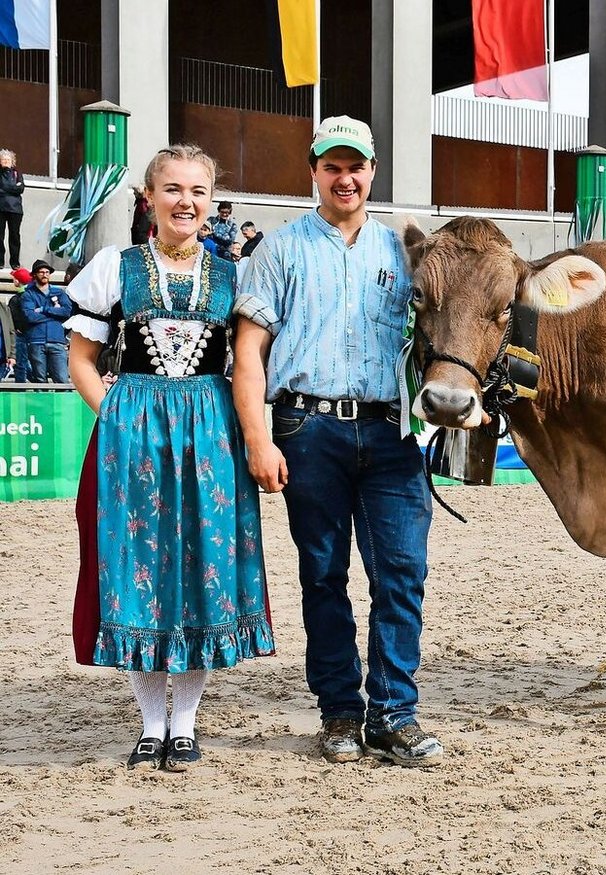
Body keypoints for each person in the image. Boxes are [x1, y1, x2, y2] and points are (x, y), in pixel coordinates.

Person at [232, 116, 440, 767]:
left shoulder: (406, 254)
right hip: (306, 429)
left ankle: (393, 713)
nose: (345, 177)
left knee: (401, 573)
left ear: (373, 171)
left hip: (391, 433)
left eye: (356, 166)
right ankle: (340, 714)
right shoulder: (279, 250)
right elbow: (249, 351)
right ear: (314, 171)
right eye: (332, 166)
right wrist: (259, 440)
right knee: (323, 575)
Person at [63, 144, 275, 772]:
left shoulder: (234, 276)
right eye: (174, 189)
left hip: (210, 437)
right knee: (139, 569)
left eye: (199, 192)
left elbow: (248, 363)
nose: (187, 202)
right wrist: (120, 415)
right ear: (149, 198)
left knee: (202, 565)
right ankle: (149, 723)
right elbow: (80, 359)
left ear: (212, 203)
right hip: (132, 442)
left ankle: (186, 722)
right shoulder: (114, 267)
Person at [19, 260, 74, 383]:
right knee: (40, 381)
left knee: (62, 380)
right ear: (34, 275)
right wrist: (55, 315)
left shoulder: (59, 293)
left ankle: (62, 403)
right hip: (36, 341)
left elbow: (67, 312)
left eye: (47, 272)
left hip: (57, 340)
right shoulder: (28, 295)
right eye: (41, 272)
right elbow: (30, 316)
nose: (45, 274)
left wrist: (44, 309)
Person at [7, 266, 31, 382]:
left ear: (17, 281)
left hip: (21, 335)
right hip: (34, 334)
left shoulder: (15, 299)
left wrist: (17, 328)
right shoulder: (34, 296)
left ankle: (20, 391)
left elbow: (13, 318)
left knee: (21, 364)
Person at [0, 149, 23, 271]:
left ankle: (15, 262)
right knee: (0, 236)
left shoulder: (17, 173)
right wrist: (13, 188)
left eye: (8, 159)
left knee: (14, 236)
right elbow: (15, 188)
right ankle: (0, 261)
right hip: (1, 208)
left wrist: (5, 188)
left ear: (12, 161)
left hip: (15, 210)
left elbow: (21, 189)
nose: (5, 161)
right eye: (3, 160)